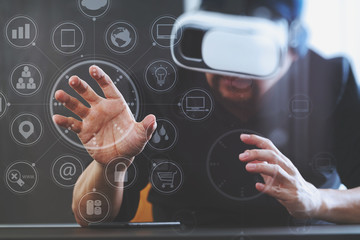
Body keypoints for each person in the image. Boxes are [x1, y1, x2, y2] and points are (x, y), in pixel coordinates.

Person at [53, 0, 360, 227]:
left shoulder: (330, 78)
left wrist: (316, 199)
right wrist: (110, 165)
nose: (235, 71)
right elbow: (90, 217)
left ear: (292, 52)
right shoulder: (161, 86)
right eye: (222, 48)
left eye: (253, 51)